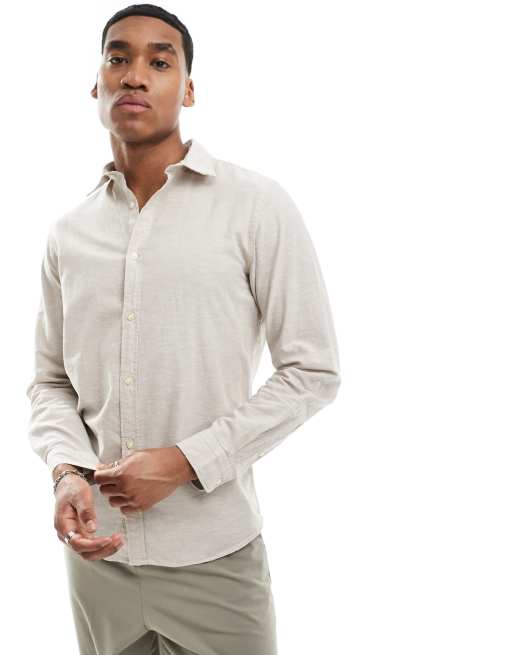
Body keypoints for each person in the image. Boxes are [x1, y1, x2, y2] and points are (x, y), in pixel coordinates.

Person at [25, 4, 341, 654]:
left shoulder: (255, 206)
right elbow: (51, 382)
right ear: (95, 85)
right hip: (97, 562)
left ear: (188, 89)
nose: (135, 74)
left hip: (214, 557)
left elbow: (312, 372)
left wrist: (185, 462)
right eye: (118, 57)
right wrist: (66, 472)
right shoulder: (68, 234)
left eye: (159, 61)